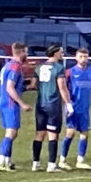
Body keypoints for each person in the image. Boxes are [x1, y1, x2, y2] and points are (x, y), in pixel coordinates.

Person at [32, 45, 72, 173]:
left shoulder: (39, 67)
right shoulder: (59, 68)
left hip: (40, 103)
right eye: (61, 52)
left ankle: (35, 163)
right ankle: (51, 165)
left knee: (39, 133)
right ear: (54, 53)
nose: (62, 54)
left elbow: (33, 84)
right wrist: (68, 103)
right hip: (53, 104)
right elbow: (62, 87)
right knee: (53, 135)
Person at [59, 48, 91, 170]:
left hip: (84, 108)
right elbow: (63, 88)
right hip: (73, 107)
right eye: (81, 56)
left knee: (84, 133)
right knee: (70, 133)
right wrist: (67, 104)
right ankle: (62, 159)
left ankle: (80, 160)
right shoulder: (70, 72)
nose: (83, 59)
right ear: (76, 58)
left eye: (86, 57)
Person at [0, 43, 31, 172]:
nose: (27, 55)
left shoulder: (7, 65)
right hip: (10, 103)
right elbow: (10, 87)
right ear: (20, 52)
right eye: (26, 52)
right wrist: (22, 104)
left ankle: (7, 161)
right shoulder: (15, 67)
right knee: (12, 132)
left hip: (3, 101)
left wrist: (26, 87)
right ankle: (0, 161)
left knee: (11, 132)